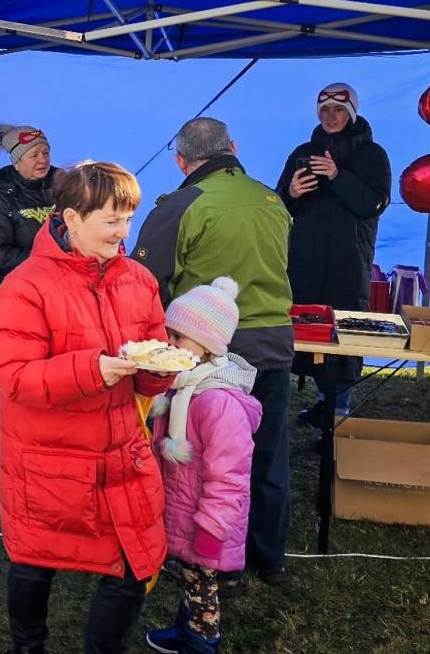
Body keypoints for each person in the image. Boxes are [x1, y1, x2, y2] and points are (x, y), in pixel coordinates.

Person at [0, 161, 176, 654]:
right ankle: (28, 647)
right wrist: (93, 370)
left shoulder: (138, 280)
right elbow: (13, 376)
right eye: (111, 220)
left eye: (128, 219)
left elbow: (153, 351)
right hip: (48, 460)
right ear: (71, 219)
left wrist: (161, 367)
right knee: (35, 560)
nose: (123, 232)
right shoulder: (26, 285)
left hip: (120, 453)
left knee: (136, 563)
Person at [131, 117, 294, 593]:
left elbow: (144, 282)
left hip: (208, 352)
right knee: (264, 455)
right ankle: (269, 557)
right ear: (233, 148)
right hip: (273, 345)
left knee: (205, 465)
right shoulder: (272, 200)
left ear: (182, 161)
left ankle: (213, 562)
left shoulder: (182, 204)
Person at [145, 277, 261, 654]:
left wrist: (211, 529)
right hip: (184, 512)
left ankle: (200, 641)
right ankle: (187, 629)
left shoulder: (217, 403)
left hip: (206, 522)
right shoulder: (183, 387)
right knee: (194, 581)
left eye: (178, 338)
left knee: (202, 586)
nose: (169, 344)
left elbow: (230, 478)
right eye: (169, 334)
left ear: (208, 344)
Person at [277, 83, 391, 424]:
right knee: (306, 326)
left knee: (344, 327)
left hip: (348, 260)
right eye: (324, 110)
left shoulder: (372, 155)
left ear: (351, 113)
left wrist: (338, 176)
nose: (330, 116)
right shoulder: (303, 151)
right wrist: (291, 192)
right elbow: (279, 202)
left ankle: (339, 408)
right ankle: (322, 403)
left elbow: (374, 203)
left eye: (338, 110)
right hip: (306, 260)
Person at [0, 123, 56, 280]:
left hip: (64, 286)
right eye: (34, 155)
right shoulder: (1, 199)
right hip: (22, 286)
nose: (43, 159)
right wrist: (49, 260)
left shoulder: (65, 188)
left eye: (46, 153)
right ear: (17, 163)